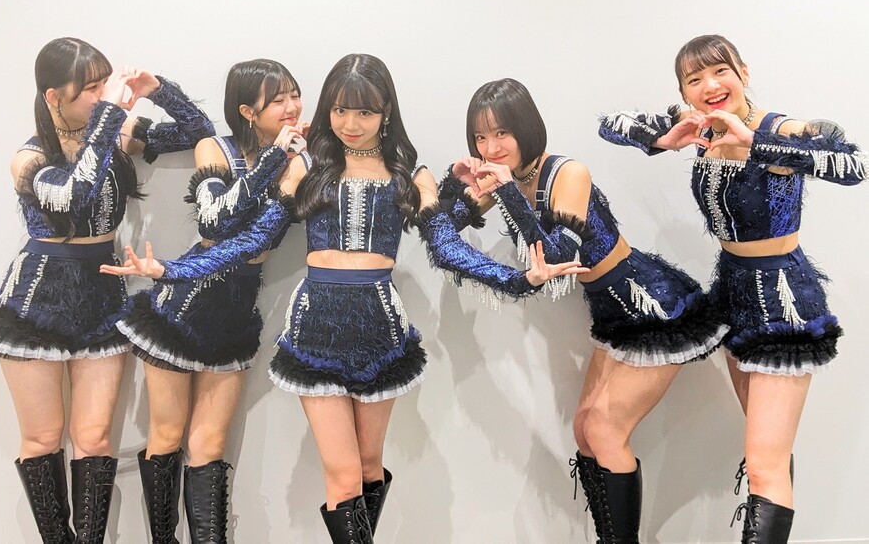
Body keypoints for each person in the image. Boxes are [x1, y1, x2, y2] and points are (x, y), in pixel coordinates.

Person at [102, 54, 585, 544]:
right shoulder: (305, 165)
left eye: (365, 112)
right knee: (344, 475)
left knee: (370, 466)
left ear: (386, 112)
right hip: (315, 327)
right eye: (339, 111)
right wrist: (172, 270)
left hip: (381, 328)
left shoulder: (410, 174)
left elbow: (448, 249)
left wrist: (519, 280)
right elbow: (253, 238)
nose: (350, 124)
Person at [598, 34, 865, 542]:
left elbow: (853, 164)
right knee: (767, 454)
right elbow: (609, 124)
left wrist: (753, 141)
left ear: (743, 71)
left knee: (764, 464)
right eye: (694, 79)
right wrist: (664, 139)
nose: (710, 86)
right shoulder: (699, 125)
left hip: (783, 301)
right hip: (734, 293)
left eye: (720, 71)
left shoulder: (778, 128)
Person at [440, 77, 727, 543]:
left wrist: (507, 193)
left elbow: (559, 256)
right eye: (480, 137)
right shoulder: (506, 178)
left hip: (649, 302)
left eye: (501, 133)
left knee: (605, 430)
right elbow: (443, 231)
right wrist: (457, 186)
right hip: (611, 314)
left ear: (526, 128)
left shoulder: (567, 173)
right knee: (585, 430)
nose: (491, 148)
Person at [0, 37, 214, 544]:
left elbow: (199, 132)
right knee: (43, 437)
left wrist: (158, 90)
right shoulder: (28, 158)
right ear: (52, 97)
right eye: (90, 89)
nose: (104, 96)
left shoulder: (116, 133)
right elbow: (73, 196)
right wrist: (111, 119)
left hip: (103, 296)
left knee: (95, 438)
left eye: (104, 85)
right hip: (35, 301)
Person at [115, 59, 306, 543]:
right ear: (247, 111)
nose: (291, 106)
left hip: (236, 312)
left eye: (294, 94)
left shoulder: (301, 160)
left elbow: (264, 236)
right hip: (183, 305)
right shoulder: (214, 148)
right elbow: (215, 221)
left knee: (210, 444)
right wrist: (272, 162)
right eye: (277, 99)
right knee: (166, 436)